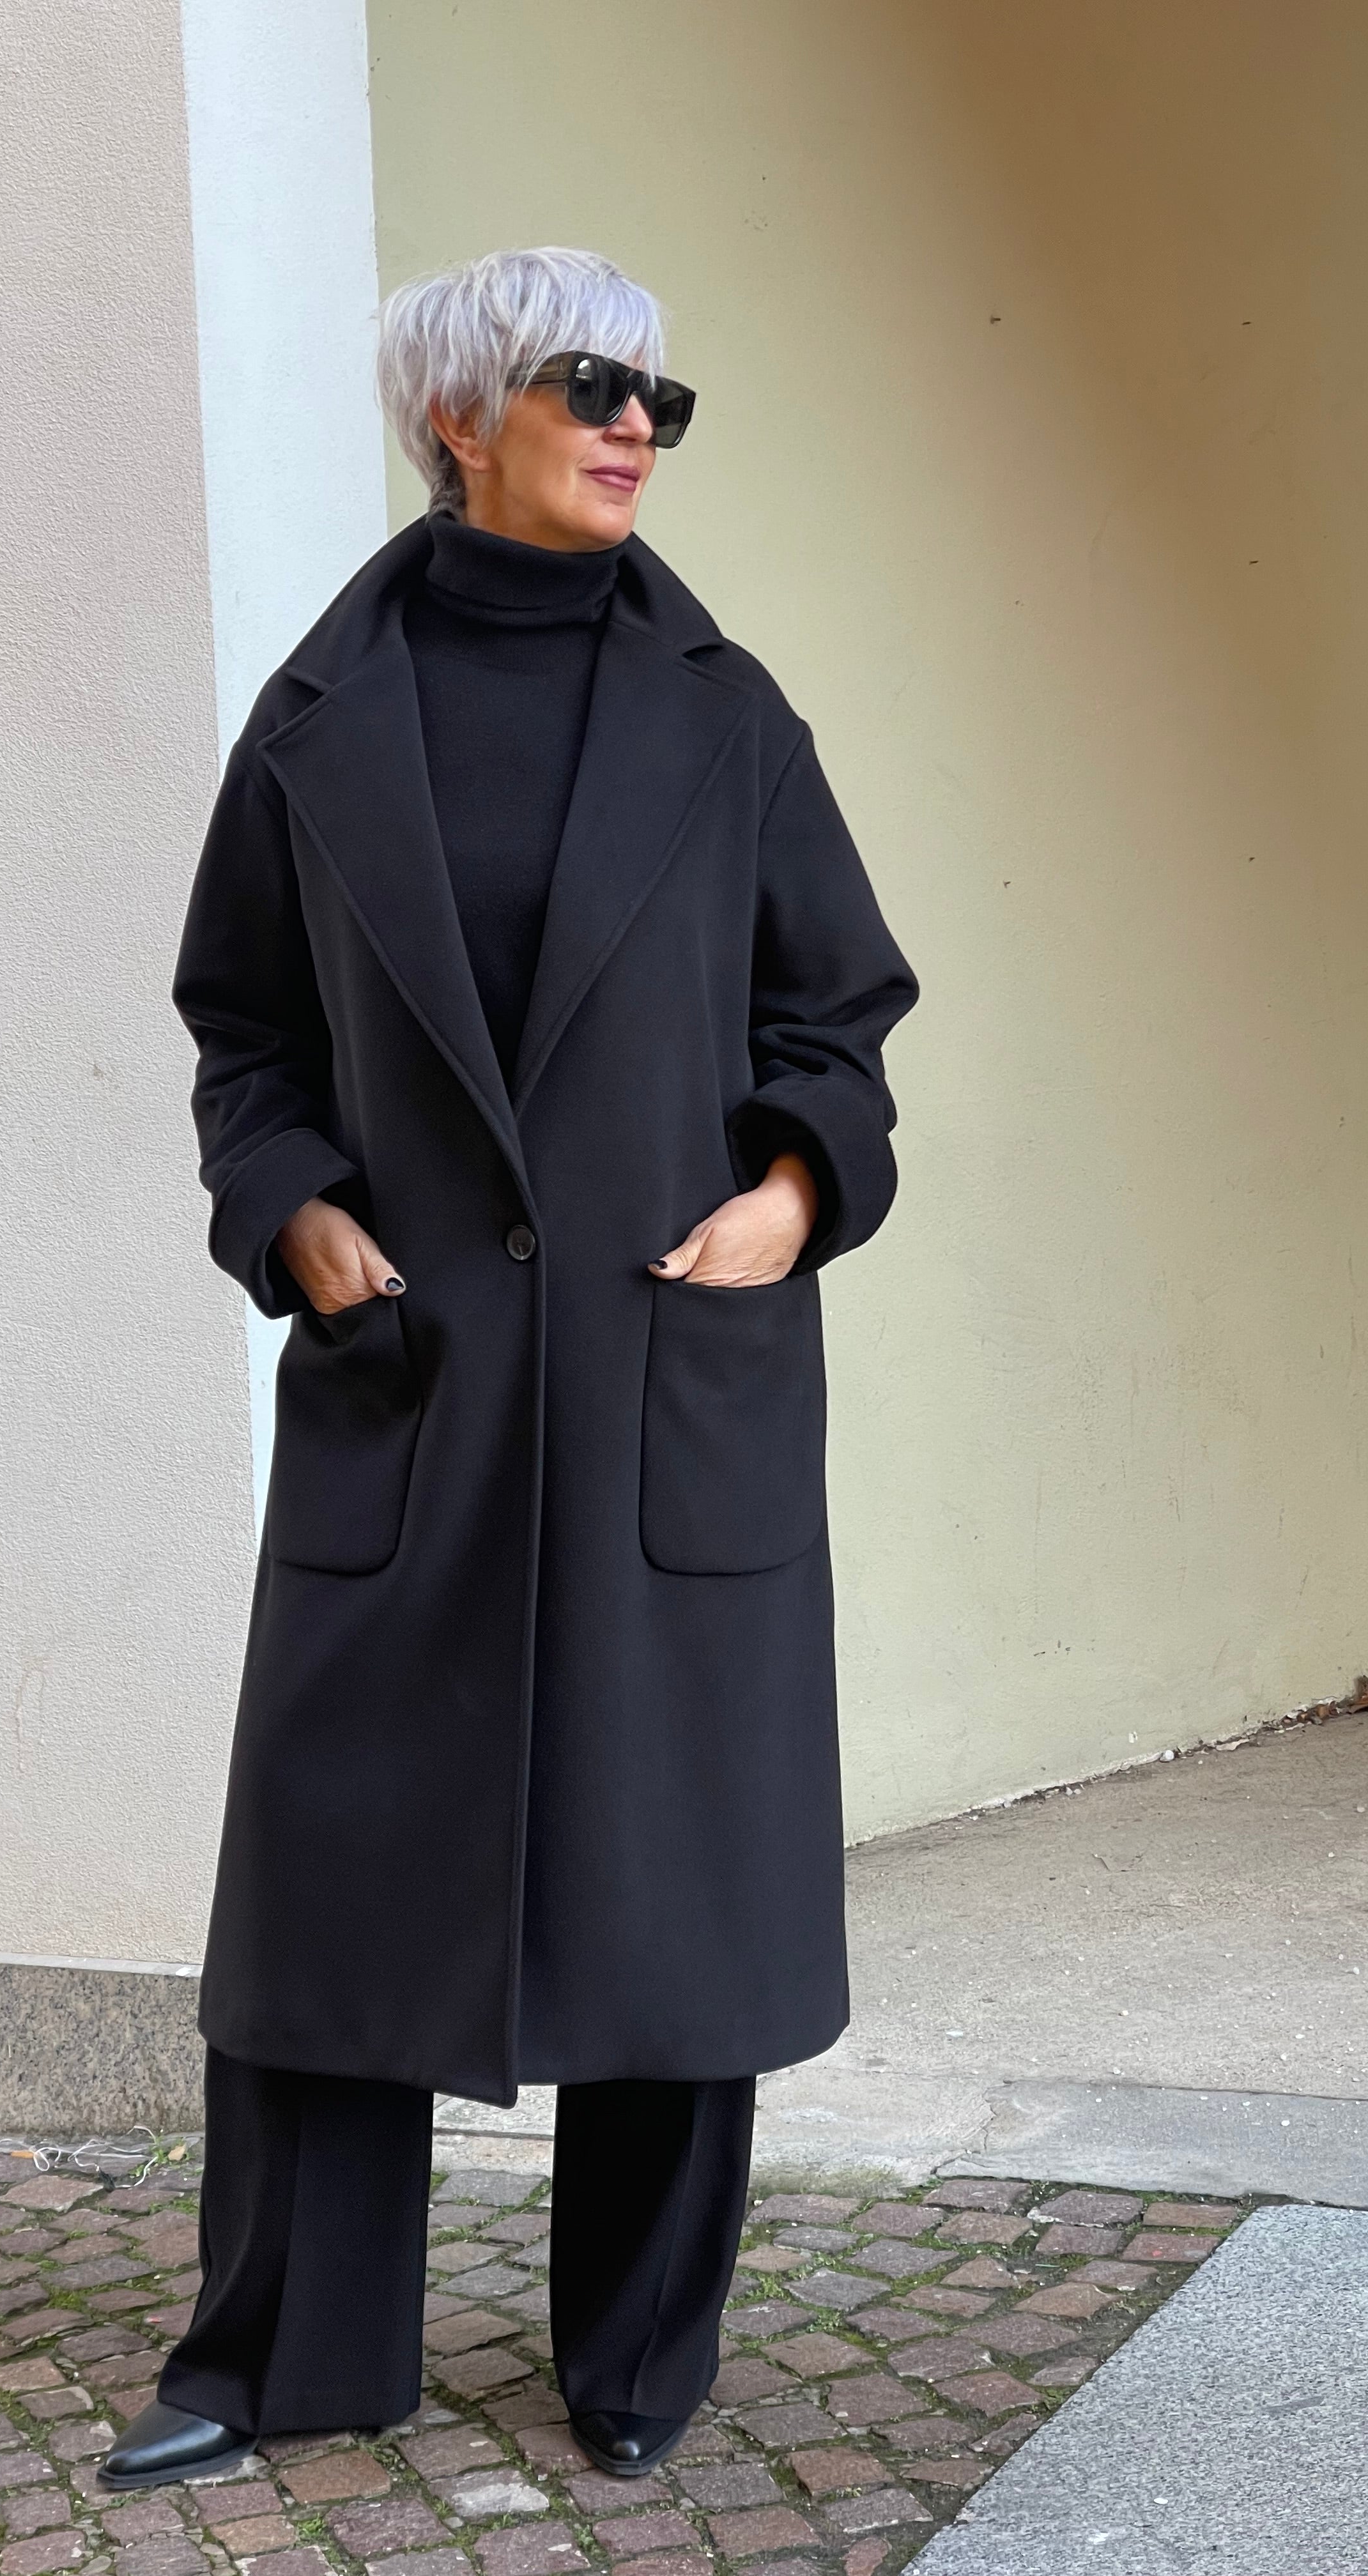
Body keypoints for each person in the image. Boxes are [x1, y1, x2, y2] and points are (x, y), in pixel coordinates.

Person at [103, 247, 918, 2492]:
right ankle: (281, 2350)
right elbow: (243, 1028)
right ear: (461, 414)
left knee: (669, 1870)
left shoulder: (730, 719)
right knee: (334, 1868)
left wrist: (786, 1200)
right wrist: (292, 1210)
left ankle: (639, 2352)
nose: (640, 423)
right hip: (417, 1369)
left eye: (662, 392)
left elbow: (837, 1020)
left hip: (665, 1362)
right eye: (592, 384)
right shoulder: (318, 720)